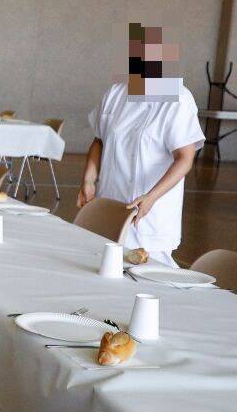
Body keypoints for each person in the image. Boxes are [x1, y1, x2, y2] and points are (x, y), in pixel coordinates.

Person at [76, 22, 203, 265]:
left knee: (144, 273)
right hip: (110, 201)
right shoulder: (116, 93)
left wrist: (152, 196)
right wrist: (89, 180)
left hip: (150, 212)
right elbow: (99, 141)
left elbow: (185, 157)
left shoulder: (177, 98)